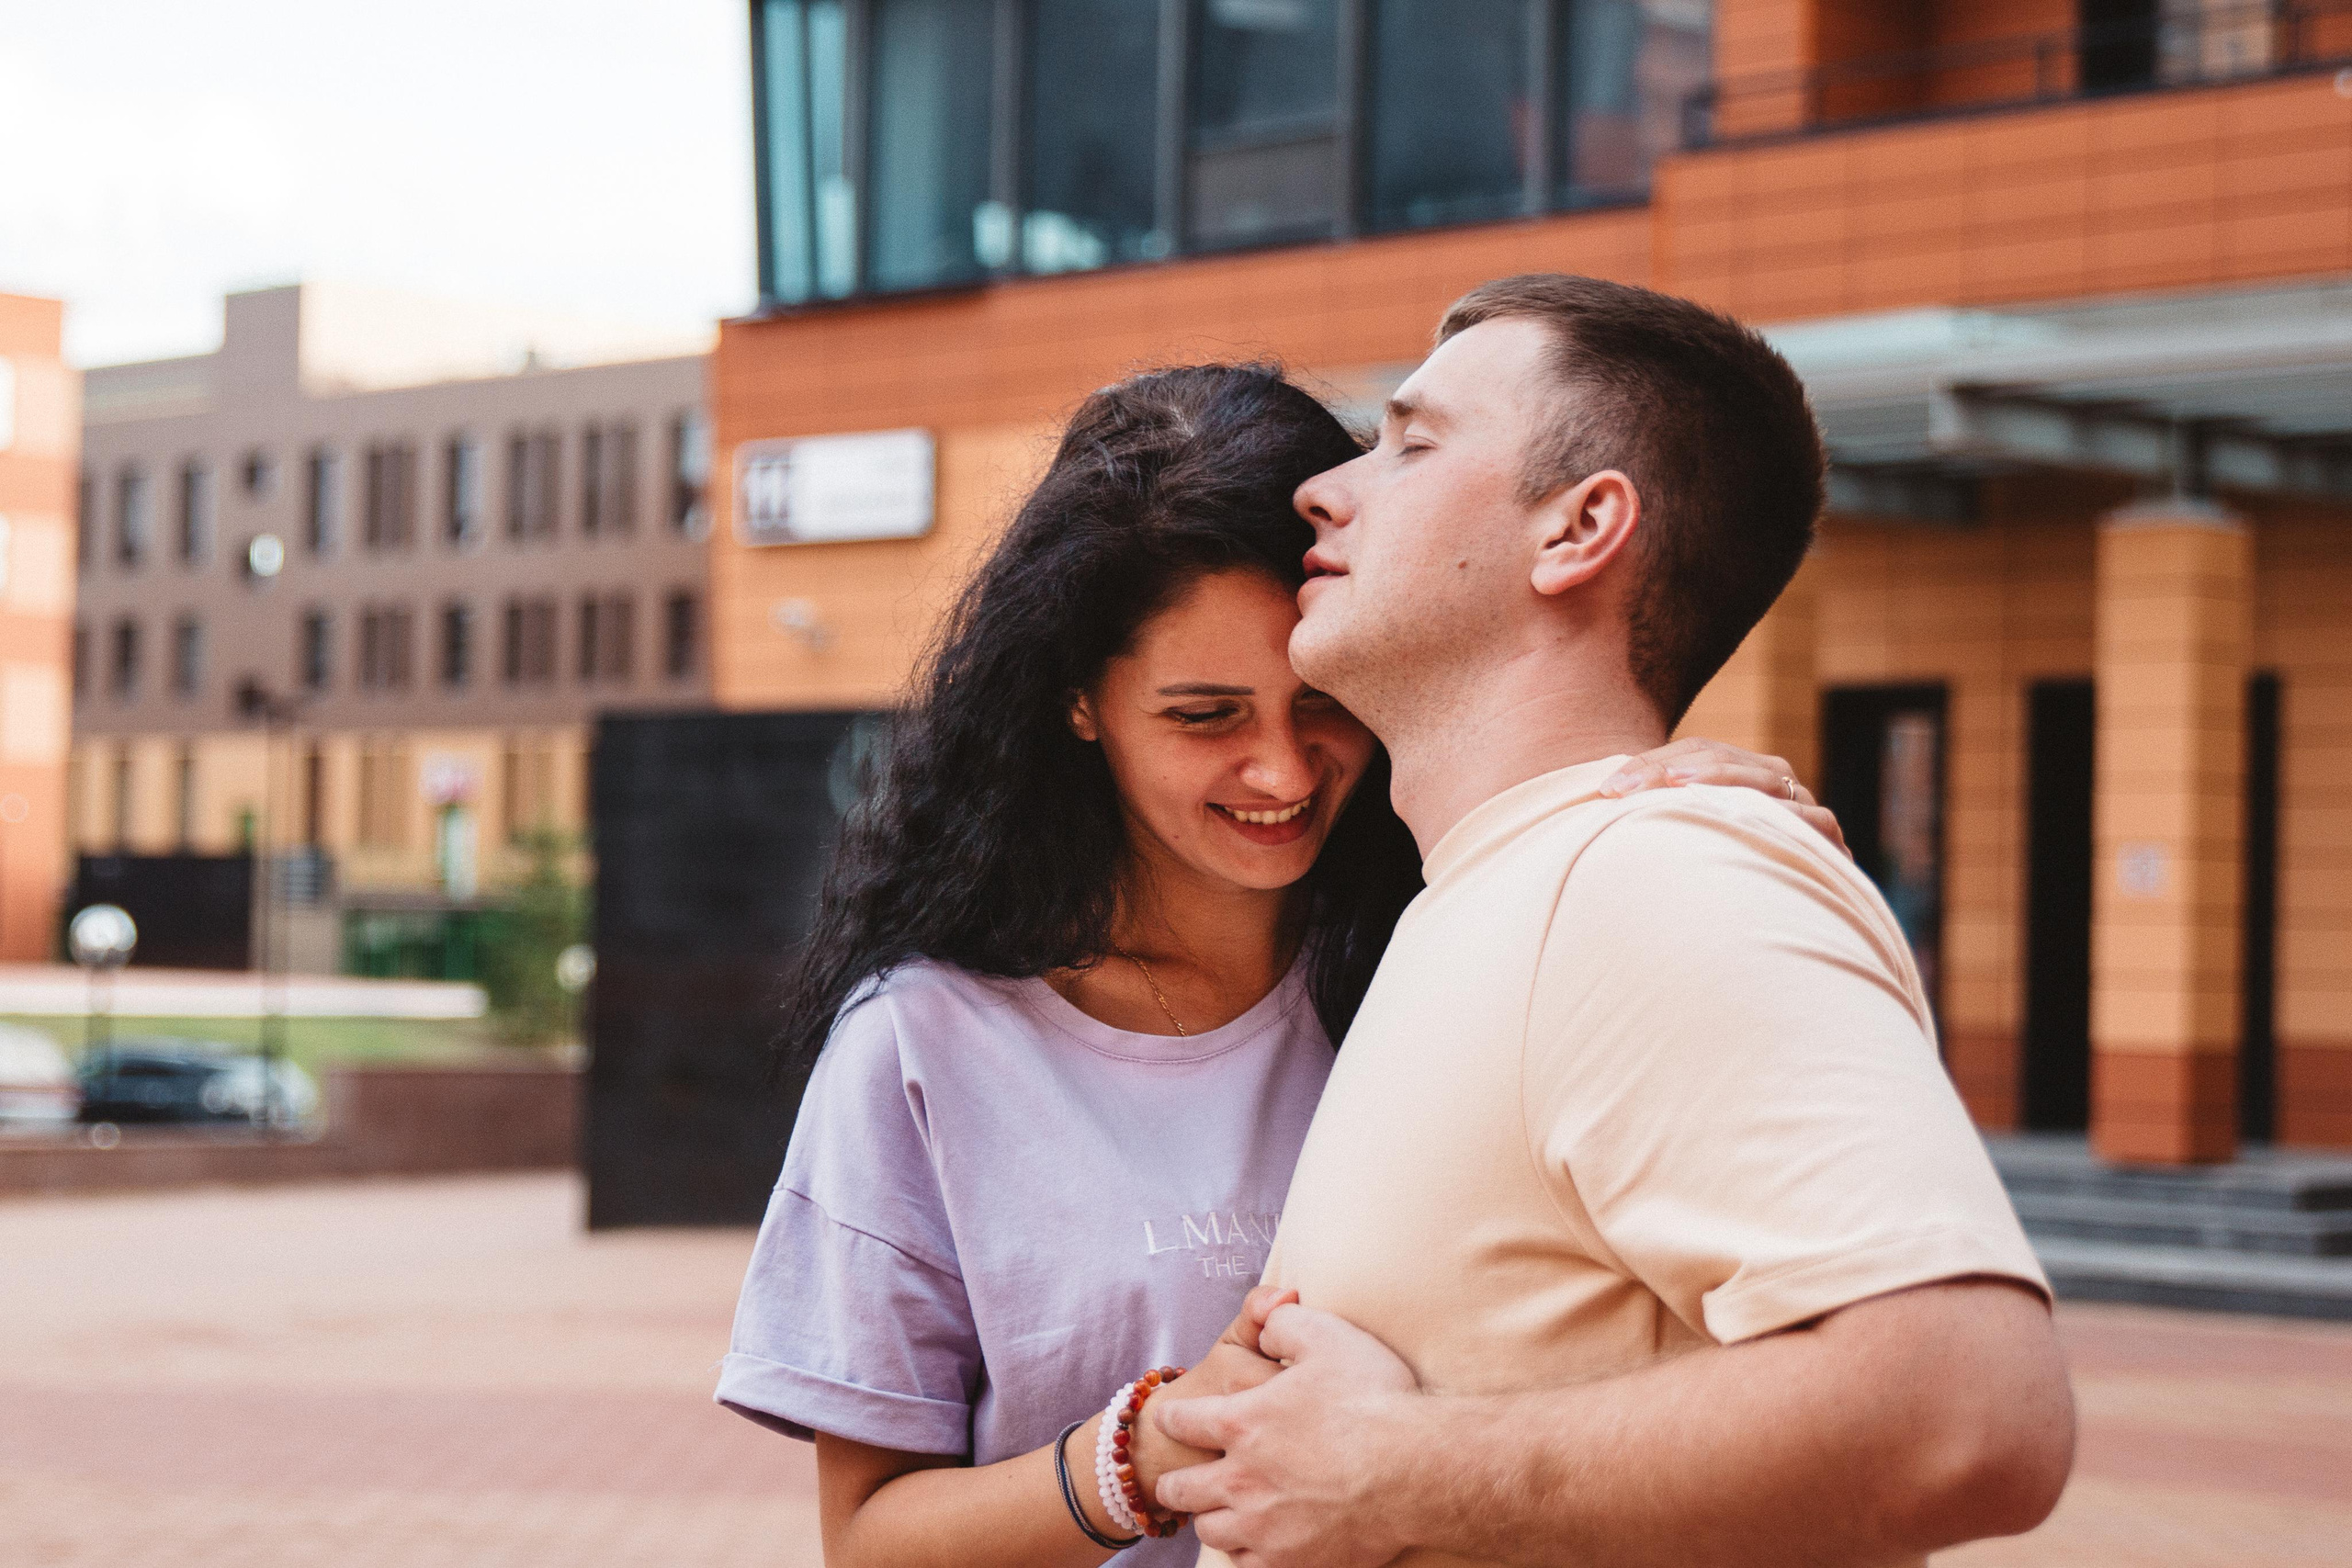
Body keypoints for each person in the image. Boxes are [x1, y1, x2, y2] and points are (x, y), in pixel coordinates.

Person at [713, 362, 1849, 1567]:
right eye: (1205, 716)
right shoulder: (924, 1049)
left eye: (1323, 700)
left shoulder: (1472, 952)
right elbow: (870, 1542)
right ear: (1077, 701)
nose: (1286, 773)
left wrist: (1667, 830)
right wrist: (1138, 1460)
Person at [1137, 276, 2075, 1568]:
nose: (1328, 490)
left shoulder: (1652, 879)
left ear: (1580, 529)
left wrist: (1395, 1473)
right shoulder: (1497, 895)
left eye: (1413, 444)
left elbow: (1969, 1410)